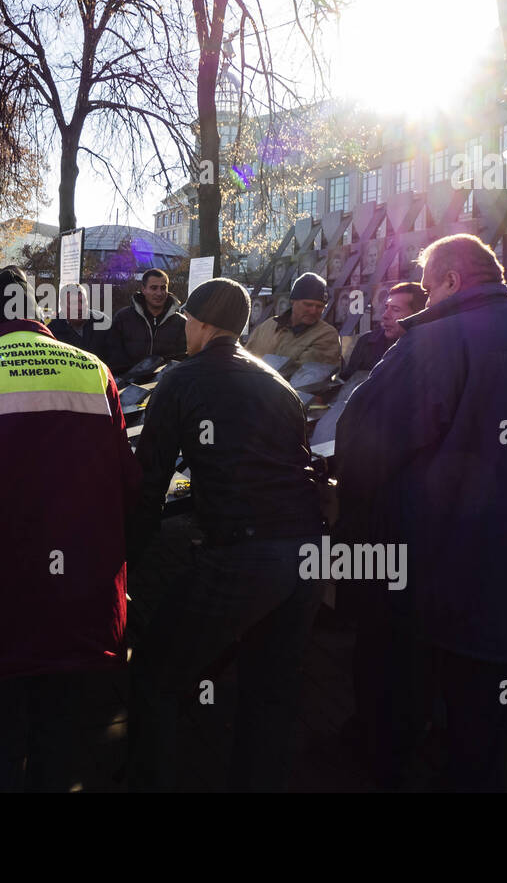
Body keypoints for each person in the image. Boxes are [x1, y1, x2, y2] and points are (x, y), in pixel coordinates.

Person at [335, 234, 507, 791]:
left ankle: (388, 766)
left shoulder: (437, 340)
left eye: (426, 286)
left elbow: (367, 442)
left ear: (450, 280)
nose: (421, 300)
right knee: (482, 708)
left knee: (399, 692)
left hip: (426, 561)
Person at [0, 267, 141, 792]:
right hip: (78, 599)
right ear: (35, 312)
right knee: (60, 747)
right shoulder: (95, 372)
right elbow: (125, 480)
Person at [127, 277, 325, 792]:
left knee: (156, 672)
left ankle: (153, 779)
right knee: (271, 688)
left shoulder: (181, 379)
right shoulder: (275, 382)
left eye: (186, 322)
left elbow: (149, 484)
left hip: (243, 551)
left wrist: (123, 564)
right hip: (306, 550)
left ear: (200, 324)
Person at [245, 272, 342, 372]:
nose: (313, 311)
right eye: (308, 304)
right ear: (293, 301)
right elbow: (245, 358)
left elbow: (304, 376)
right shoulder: (268, 326)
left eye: (320, 306)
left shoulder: (326, 335)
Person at [104, 268, 186, 374]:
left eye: (163, 288)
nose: (159, 293)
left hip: (165, 386)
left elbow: (182, 360)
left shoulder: (180, 323)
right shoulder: (123, 318)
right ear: (143, 289)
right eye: (153, 288)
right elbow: (114, 356)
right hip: (127, 386)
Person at [341, 282, 427, 380]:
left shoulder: (429, 349)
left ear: (417, 315)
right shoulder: (366, 342)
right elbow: (347, 383)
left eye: (395, 309)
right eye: (386, 307)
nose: (385, 315)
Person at [48, 283, 110, 362]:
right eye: (73, 303)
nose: (79, 307)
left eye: (82, 301)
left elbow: (114, 358)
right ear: (62, 306)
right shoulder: (52, 331)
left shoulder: (103, 322)